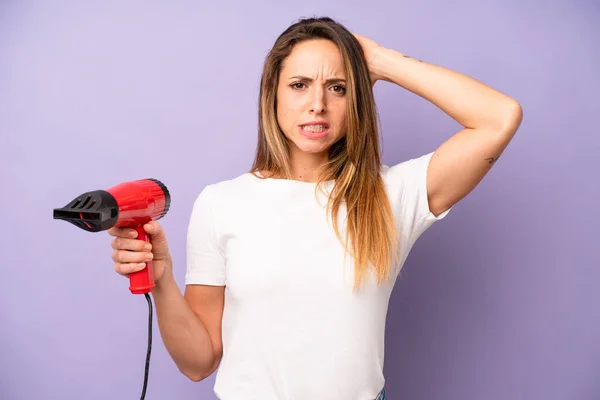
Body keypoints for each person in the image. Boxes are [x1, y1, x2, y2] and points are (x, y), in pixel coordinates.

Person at [108, 16, 522, 400]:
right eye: (299, 84)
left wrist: (380, 61)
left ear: (356, 97)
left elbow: (499, 117)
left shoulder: (390, 195)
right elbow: (198, 363)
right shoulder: (221, 203)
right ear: (272, 92)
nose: (318, 104)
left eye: (337, 87)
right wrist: (160, 279)